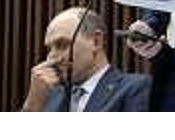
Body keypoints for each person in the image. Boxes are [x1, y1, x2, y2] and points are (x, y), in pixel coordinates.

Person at [21, 7, 151, 112]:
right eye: (50, 48)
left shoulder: (136, 88)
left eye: (62, 44)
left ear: (96, 41)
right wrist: (32, 105)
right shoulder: (47, 95)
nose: (51, 57)